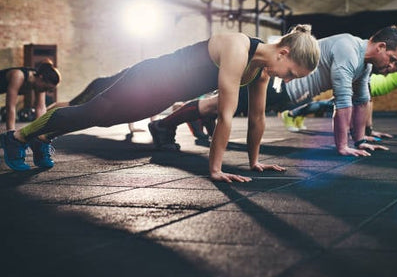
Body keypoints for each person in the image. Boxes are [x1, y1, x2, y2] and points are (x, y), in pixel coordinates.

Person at [0, 25, 321, 183]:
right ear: (284, 54)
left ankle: (44, 136)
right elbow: (225, 114)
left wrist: (254, 162)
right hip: (150, 77)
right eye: (292, 74)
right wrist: (215, 169)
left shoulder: (261, 71)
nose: (288, 80)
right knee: (95, 112)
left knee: (104, 119)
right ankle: (17, 138)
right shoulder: (238, 46)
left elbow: (257, 119)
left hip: (160, 95)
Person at [148, 25, 397, 157]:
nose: (393, 66)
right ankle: (163, 125)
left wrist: (362, 138)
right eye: (394, 59)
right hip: (281, 83)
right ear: (381, 47)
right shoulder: (348, 49)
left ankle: (197, 118)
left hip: (290, 91)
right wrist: (343, 146)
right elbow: (343, 103)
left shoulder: (363, 65)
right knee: (218, 104)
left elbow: (362, 101)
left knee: (219, 104)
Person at [47, 68, 160, 141]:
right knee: (73, 104)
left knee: (74, 105)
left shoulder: (145, 84)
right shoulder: (139, 78)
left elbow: (137, 104)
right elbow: (136, 102)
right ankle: (46, 113)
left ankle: (45, 113)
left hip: (104, 87)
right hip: (98, 86)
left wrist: (133, 128)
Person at [0, 59, 61, 169]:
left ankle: (39, 148)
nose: (45, 91)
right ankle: (8, 142)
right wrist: (11, 136)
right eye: (46, 88)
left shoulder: (38, 81)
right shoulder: (18, 76)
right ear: (41, 77)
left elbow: (40, 107)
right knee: (10, 137)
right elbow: (10, 106)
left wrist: (41, 133)